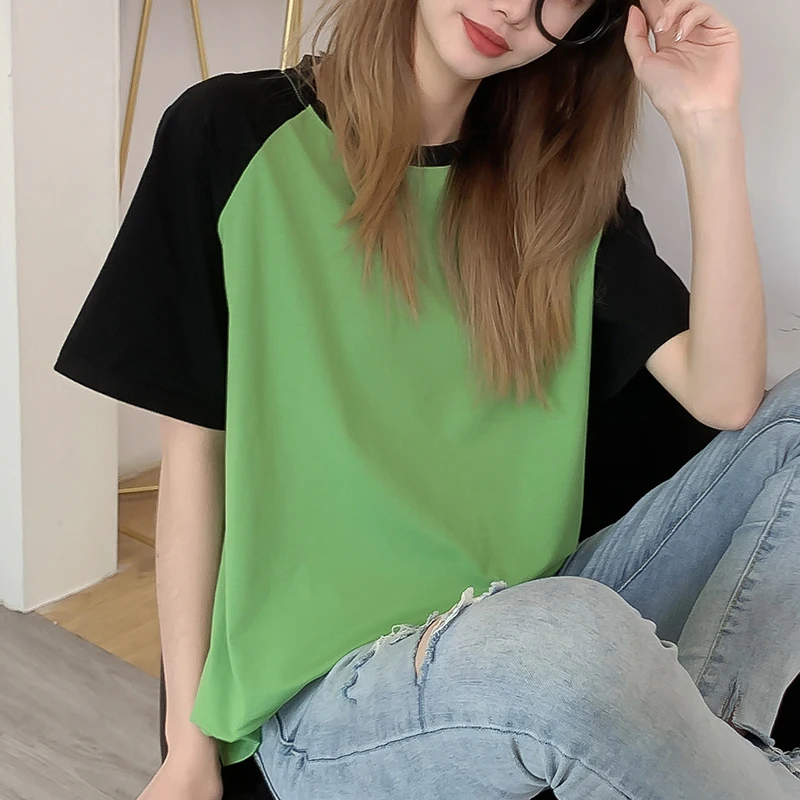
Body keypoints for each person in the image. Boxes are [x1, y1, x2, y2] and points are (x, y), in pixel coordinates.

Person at [55, 0, 800, 797]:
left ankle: (725, 754)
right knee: (577, 641)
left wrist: (707, 125)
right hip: (329, 699)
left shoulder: (557, 188)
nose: (511, 7)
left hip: (518, 628)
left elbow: (727, 399)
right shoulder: (233, 134)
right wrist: (186, 747)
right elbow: (194, 459)